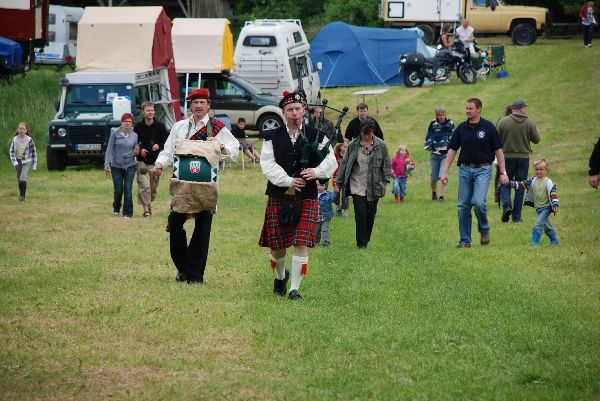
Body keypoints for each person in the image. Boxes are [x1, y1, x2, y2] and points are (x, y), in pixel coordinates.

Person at [154, 88, 239, 284]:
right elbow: (168, 151)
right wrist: (159, 164)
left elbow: (234, 149)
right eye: (195, 103)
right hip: (182, 186)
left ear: (208, 105)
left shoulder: (216, 128)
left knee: (202, 231)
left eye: (202, 102)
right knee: (175, 225)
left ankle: (195, 276)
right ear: (190, 106)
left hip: (206, 187)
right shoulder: (179, 127)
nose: (198, 106)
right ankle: (183, 268)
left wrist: (220, 145)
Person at [258, 90, 337, 300]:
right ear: (284, 113)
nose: (294, 113)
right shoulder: (272, 136)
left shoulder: (316, 135)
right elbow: (267, 163)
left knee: (301, 241)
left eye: (298, 109)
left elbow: (331, 161)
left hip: (307, 196)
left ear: (304, 111)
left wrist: (316, 172)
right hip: (279, 194)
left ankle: (294, 289)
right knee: (278, 247)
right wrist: (288, 180)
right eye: (290, 109)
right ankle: (280, 276)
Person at [441, 98, 509, 248]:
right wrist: (445, 172)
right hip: (465, 170)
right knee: (463, 206)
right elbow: (452, 150)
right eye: (466, 108)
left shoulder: (489, 127)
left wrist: (503, 172)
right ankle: (465, 240)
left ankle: (484, 229)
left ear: (479, 109)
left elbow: (499, 151)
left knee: (478, 202)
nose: (467, 111)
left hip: (483, 170)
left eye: (470, 108)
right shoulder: (461, 128)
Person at [336, 118, 392, 248]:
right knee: (360, 214)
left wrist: (384, 181)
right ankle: (361, 244)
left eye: (369, 134)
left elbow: (387, 164)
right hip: (357, 185)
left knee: (370, 215)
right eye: (364, 134)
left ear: (373, 132)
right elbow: (344, 164)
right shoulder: (353, 145)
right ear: (361, 132)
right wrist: (338, 182)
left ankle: (365, 239)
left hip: (374, 186)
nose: (366, 137)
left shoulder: (381, 145)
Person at [496, 100, 540, 223]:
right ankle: (516, 217)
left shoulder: (503, 121)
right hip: (523, 158)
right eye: (524, 107)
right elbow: (536, 139)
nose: (525, 109)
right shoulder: (529, 122)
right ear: (521, 108)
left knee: (505, 182)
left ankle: (507, 205)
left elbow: (496, 139)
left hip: (506, 158)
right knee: (520, 185)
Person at [504, 159, 559, 246]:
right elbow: (522, 184)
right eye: (536, 169)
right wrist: (510, 184)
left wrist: (555, 204)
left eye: (541, 169)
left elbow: (553, 193)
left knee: (538, 223)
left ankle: (534, 241)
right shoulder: (533, 180)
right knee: (546, 226)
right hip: (538, 208)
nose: (538, 171)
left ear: (546, 170)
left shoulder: (548, 182)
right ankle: (554, 240)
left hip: (547, 207)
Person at [134, 101, 169, 217]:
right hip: (142, 162)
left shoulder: (160, 126)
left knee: (153, 189)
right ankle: (146, 210)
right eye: (148, 110)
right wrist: (140, 149)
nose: (150, 112)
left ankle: (148, 204)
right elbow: (134, 143)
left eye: (152, 110)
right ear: (143, 112)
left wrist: (159, 145)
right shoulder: (138, 127)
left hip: (155, 162)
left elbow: (167, 142)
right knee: (144, 186)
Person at [105, 113, 139, 219]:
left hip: (130, 165)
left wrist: (136, 152)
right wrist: (107, 164)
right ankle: (116, 207)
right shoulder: (115, 134)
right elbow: (110, 150)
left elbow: (135, 153)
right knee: (118, 190)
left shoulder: (134, 135)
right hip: (116, 166)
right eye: (125, 121)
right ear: (122, 122)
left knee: (128, 189)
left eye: (129, 121)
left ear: (131, 123)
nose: (127, 123)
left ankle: (128, 213)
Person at [424, 106, 454, 202]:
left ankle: (441, 196)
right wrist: (431, 144)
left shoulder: (450, 124)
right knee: (434, 177)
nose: (441, 117)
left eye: (442, 115)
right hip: (434, 154)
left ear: (445, 114)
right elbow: (428, 136)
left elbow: (453, 137)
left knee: (442, 175)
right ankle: (434, 192)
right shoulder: (433, 124)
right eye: (439, 115)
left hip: (445, 154)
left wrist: (449, 145)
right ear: (436, 115)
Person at [9, 122, 37, 202]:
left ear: (26, 130)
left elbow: (34, 152)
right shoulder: (15, 140)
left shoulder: (29, 140)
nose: (21, 130)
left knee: (23, 177)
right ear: (17, 130)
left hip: (27, 161)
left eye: (23, 129)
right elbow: (11, 152)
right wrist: (15, 162)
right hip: (18, 162)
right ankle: (20, 193)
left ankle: (22, 196)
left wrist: (34, 164)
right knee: (19, 179)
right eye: (20, 128)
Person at [332, 139, 350, 217]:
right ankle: (338, 206)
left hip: (346, 178)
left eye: (346, 147)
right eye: (343, 146)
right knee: (336, 195)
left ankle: (345, 211)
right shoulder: (335, 155)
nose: (344, 148)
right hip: (336, 178)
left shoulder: (350, 156)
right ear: (340, 146)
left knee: (345, 195)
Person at [315, 180, 336, 246]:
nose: (319, 187)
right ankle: (316, 242)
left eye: (321, 185)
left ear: (325, 186)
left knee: (324, 230)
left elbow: (334, 199)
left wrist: (336, 192)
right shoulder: (313, 194)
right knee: (316, 232)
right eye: (317, 185)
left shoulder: (328, 194)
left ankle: (325, 243)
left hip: (326, 217)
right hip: (316, 217)